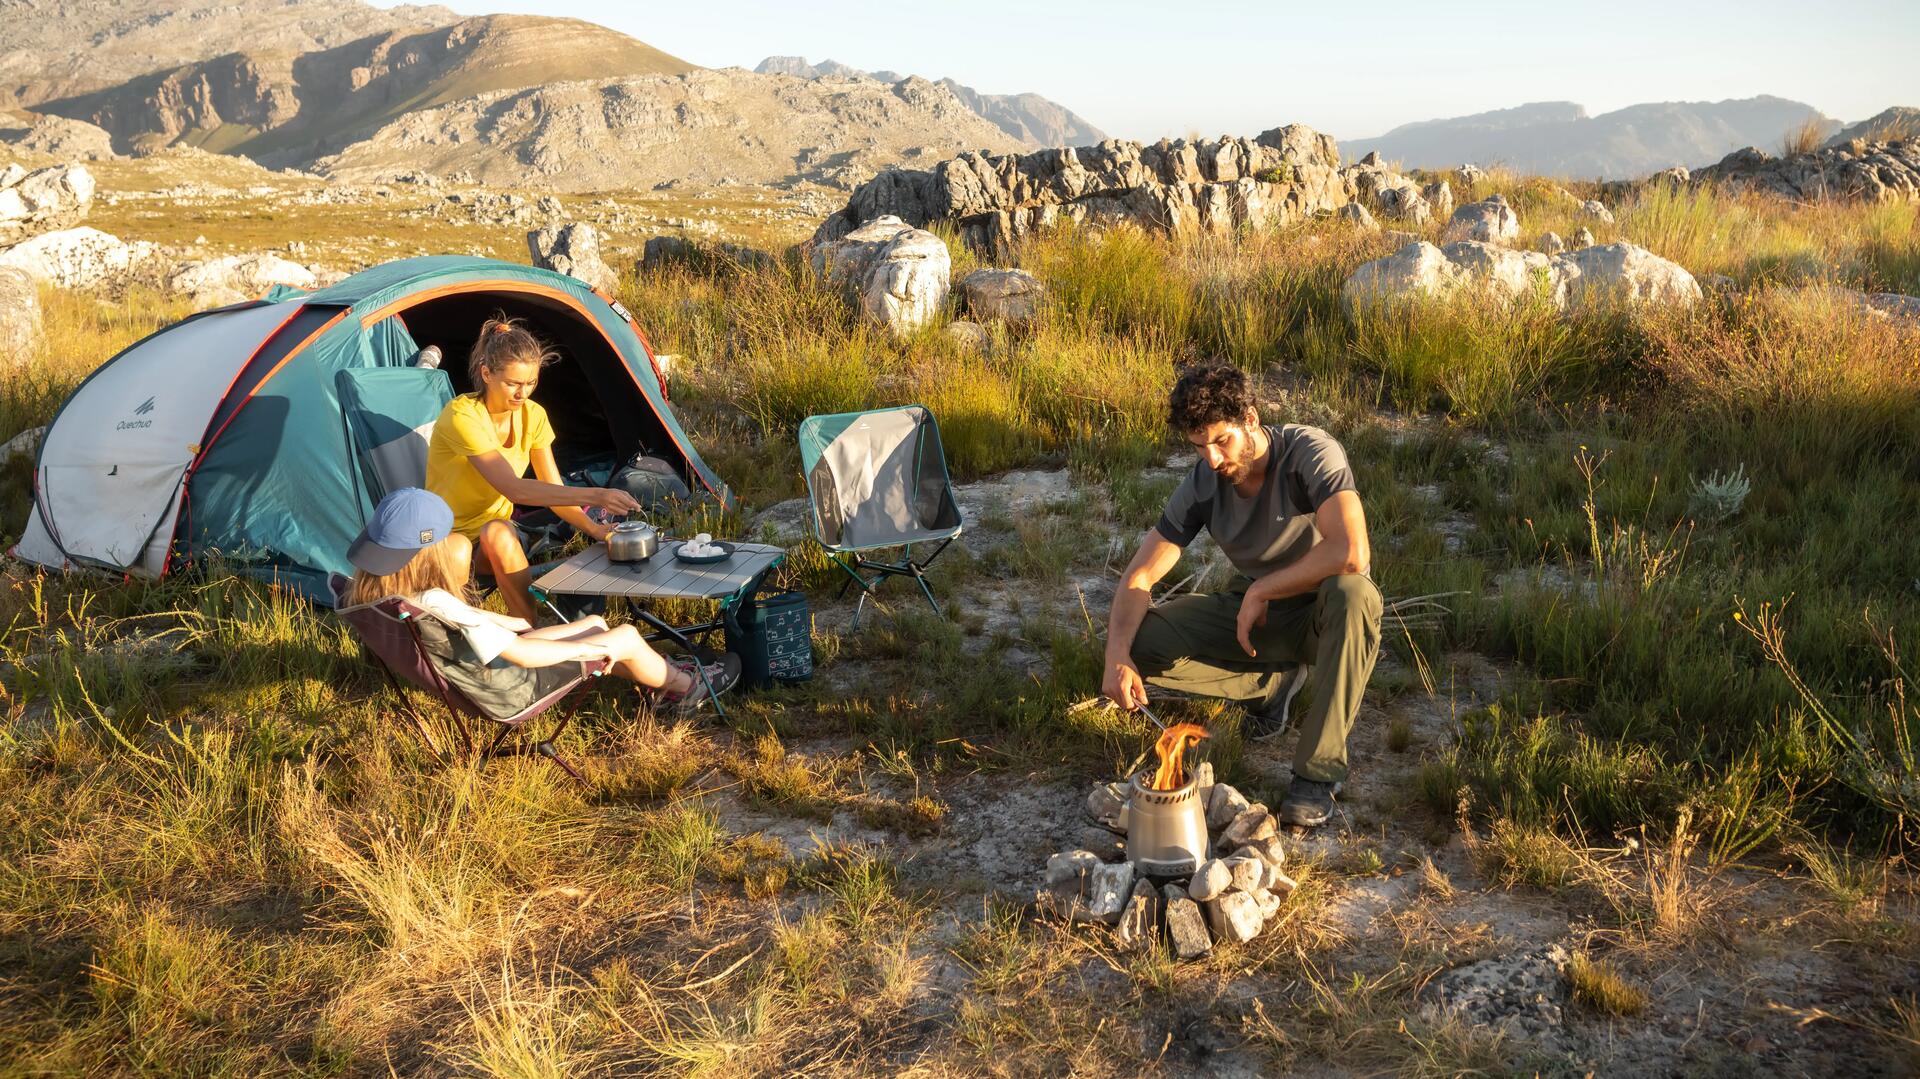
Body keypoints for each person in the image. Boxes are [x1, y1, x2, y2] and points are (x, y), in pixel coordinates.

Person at [1102, 363, 1382, 828]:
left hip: (1324, 614)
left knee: (1355, 596)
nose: (1211, 458)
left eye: (1221, 441)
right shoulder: (1203, 482)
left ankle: (1316, 775)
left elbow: (1351, 551)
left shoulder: (1310, 452)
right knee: (1139, 642)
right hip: (1257, 616)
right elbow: (1139, 578)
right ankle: (1270, 688)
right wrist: (1116, 656)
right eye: (1198, 446)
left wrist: (1264, 589)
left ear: (1250, 419)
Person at [346, 487, 739, 717]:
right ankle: (686, 689)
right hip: (509, 688)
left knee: (596, 624)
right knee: (623, 635)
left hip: (483, 674)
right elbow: (520, 655)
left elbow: (486, 630)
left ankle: (657, 677)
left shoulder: (384, 596)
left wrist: (521, 624)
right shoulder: (437, 600)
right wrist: (594, 650)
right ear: (431, 554)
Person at [425, 315, 643, 622]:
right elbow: (513, 488)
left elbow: (555, 492)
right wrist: (598, 496)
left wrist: (596, 530)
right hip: (445, 538)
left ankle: (529, 632)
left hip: (488, 541)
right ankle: (464, 636)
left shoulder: (534, 416)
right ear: (486, 373)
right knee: (459, 546)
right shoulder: (462, 416)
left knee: (499, 532)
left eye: (530, 383)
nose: (522, 393)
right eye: (512, 383)